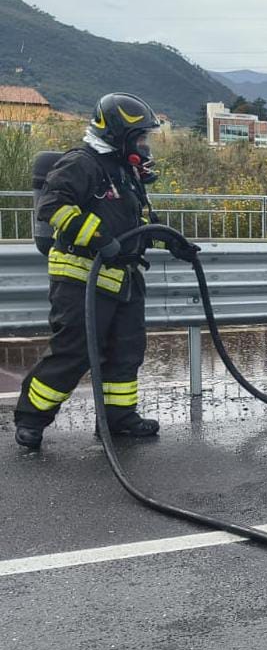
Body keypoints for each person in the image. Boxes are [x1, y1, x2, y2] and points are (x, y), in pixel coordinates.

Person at [13, 92, 197, 449]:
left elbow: (131, 225)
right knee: (75, 352)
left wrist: (169, 241)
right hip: (82, 278)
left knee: (126, 352)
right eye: (140, 137)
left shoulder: (122, 170)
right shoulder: (82, 163)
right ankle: (31, 418)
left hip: (124, 278)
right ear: (118, 134)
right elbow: (53, 207)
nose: (144, 146)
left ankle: (118, 419)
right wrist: (98, 240)